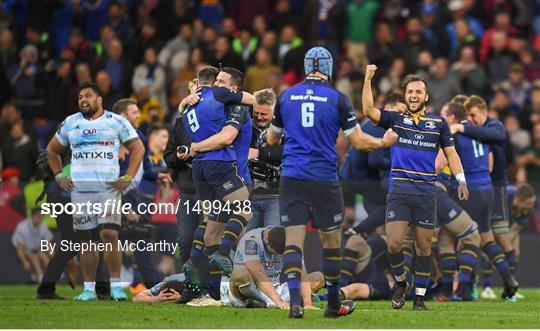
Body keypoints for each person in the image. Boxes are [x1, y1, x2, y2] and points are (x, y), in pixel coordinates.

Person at [266, 47, 397, 318]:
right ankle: (332, 304)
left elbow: (271, 139)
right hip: (324, 178)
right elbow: (358, 141)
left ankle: (294, 304)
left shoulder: (287, 96)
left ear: (305, 68)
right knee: (331, 243)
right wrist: (384, 142)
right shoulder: (337, 98)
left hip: (292, 176)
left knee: (293, 243)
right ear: (328, 69)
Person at [362, 64, 469, 311]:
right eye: (410, 91)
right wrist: (368, 79)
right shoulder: (396, 119)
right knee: (394, 244)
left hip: (425, 192)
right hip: (399, 191)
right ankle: (401, 282)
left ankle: (419, 298)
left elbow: (451, 154)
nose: (413, 95)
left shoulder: (439, 123)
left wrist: (462, 180)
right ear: (406, 94)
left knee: (423, 247)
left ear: (426, 97)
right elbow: (368, 110)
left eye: (418, 92)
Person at [47, 82, 145, 301]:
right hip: (81, 192)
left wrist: (127, 176)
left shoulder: (116, 121)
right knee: (87, 240)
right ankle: (89, 289)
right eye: (80, 96)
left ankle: (116, 286)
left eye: (88, 96)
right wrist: (59, 176)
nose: (83, 99)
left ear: (99, 99)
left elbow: (138, 148)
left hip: (108, 189)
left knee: (109, 234)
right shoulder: (71, 123)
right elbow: (52, 150)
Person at [177, 66, 255, 303]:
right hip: (229, 172)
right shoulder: (222, 105)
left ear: (234, 88)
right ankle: (227, 291)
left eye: (223, 81)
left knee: (213, 230)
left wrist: (183, 104)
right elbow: (225, 138)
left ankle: (199, 267)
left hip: (214, 169)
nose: (218, 85)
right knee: (238, 225)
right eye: (216, 80)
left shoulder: (236, 108)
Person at [442, 98, 519, 301]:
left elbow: (439, 164)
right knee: (486, 238)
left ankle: (460, 289)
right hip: (487, 190)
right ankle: (509, 279)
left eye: (445, 115)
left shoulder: (456, 133)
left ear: (453, 117)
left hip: (470, 190)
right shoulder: (479, 132)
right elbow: (491, 164)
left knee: (450, 238)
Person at [481, 183, 536, 300]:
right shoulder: (503, 196)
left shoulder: (529, 211)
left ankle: (509, 287)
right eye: (528, 203)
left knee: (514, 253)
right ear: (518, 200)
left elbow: (514, 231)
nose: (531, 206)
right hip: (490, 221)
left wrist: (501, 251)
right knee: (489, 249)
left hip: (508, 227)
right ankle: (487, 288)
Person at [246, 88, 282, 231]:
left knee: (272, 241)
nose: (259, 117)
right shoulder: (244, 125)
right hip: (249, 194)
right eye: (256, 113)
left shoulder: (285, 127)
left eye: (264, 114)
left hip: (275, 194)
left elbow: (289, 152)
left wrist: (260, 153)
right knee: (246, 240)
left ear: (274, 111)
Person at [12, 208, 53, 282]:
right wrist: (24, 261)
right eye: (39, 216)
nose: (40, 219)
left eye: (42, 216)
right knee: (33, 256)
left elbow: (48, 245)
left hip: (37, 250)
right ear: (33, 216)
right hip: (23, 251)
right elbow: (20, 248)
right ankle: (40, 276)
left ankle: (51, 275)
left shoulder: (43, 226)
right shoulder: (22, 227)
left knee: (42, 255)